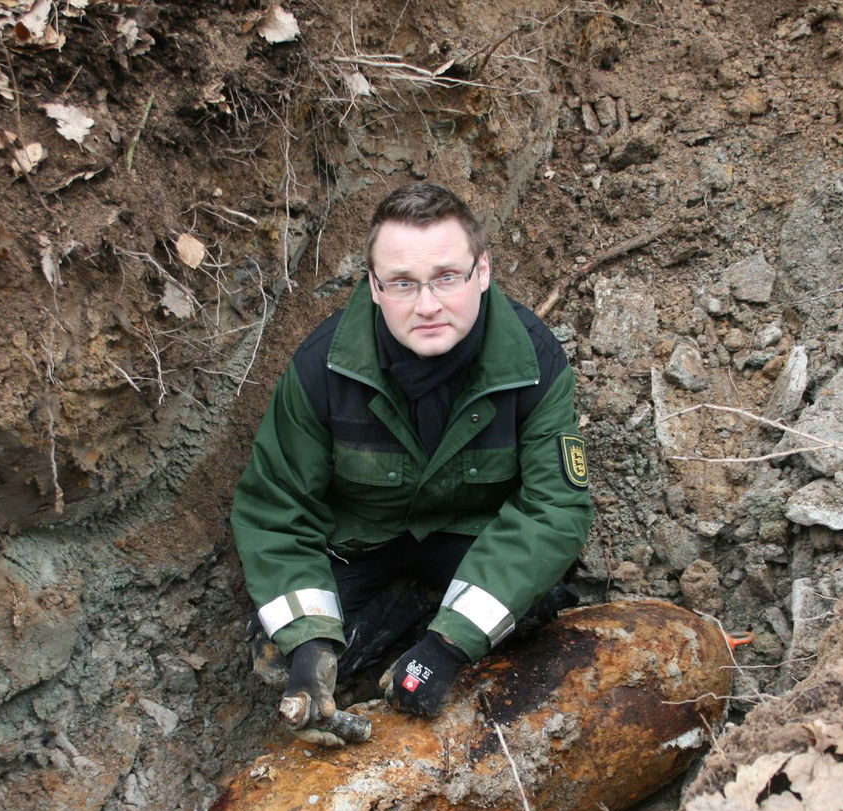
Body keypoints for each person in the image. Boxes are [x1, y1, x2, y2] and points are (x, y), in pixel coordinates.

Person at [231, 182, 594, 745]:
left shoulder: (534, 362)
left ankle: (438, 622)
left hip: (469, 539)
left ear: (482, 271)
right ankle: (404, 614)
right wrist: (309, 644)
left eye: (447, 277)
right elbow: (275, 510)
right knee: (281, 655)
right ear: (374, 287)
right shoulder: (322, 369)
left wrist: (448, 647)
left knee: (537, 605)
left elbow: (554, 508)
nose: (427, 305)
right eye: (402, 283)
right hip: (362, 544)